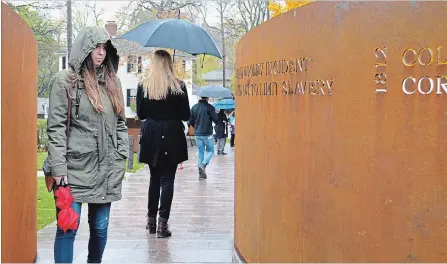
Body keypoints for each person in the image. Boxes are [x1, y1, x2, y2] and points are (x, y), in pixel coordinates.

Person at [47, 26, 128, 263]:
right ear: (85, 48)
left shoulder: (113, 82)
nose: (101, 53)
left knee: (100, 228)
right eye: (96, 47)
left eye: (104, 48)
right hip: (73, 169)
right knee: (67, 227)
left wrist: (121, 154)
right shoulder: (66, 81)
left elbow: (120, 123)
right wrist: (59, 170)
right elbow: (56, 128)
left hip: (106, 168)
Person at [136, 49, 191, 238]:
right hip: (171, 134)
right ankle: (162, 224)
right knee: (168, 180)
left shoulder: (144, 86)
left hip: (151, 133)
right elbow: (186, 115)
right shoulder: (179, 86)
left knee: (154, 179)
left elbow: (141, 114)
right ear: (169, 64)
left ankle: (150, 221)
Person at [188, 97, 218, 179]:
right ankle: (203, 164)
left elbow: (190, 121)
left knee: (200, 153)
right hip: (207, 133)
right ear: (207, 98)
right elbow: (216, 119)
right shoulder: (209, 107)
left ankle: (200, 175)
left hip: (197, 134)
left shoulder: (194, 107)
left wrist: (196, 127)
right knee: (210, 151)